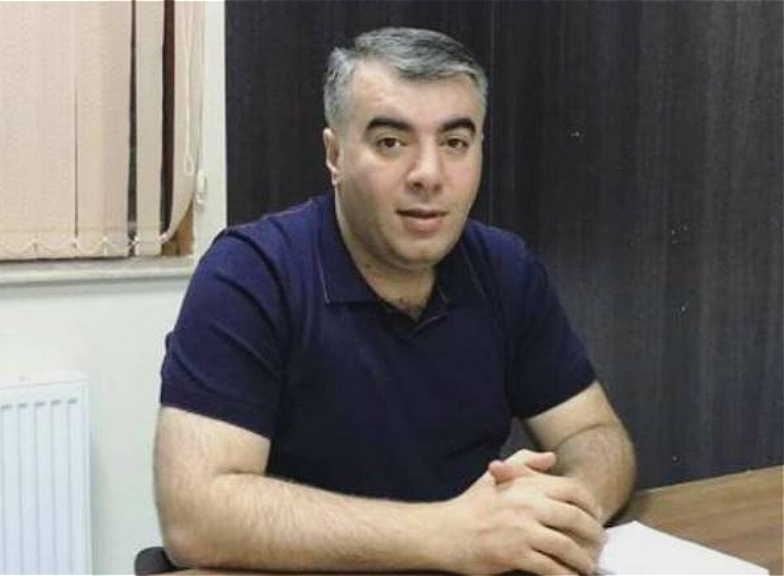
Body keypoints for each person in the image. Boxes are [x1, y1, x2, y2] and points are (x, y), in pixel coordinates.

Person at [154, 27, 635, 575]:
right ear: (335, 155)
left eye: (455, 143)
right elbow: (196, 516)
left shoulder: (505, 268)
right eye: (391, 142)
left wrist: (563, 509)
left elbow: (595, 435)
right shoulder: (251, 273)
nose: (429, 174)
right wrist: (448, 534)